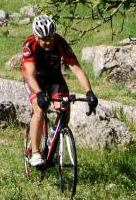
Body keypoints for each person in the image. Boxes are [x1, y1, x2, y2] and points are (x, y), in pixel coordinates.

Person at [22, 14, 98, 167]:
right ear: (37, 38)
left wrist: (89, 92)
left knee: (64, 109)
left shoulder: (60, 42)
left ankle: (53, 139)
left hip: (54, 79)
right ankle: (36, 153)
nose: (49, 42)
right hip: (35, 80)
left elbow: (76, 68)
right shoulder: (30, 45)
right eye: (44, 39)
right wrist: (39, 94)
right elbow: (30, 75)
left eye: (51, 38)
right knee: (39, 109)